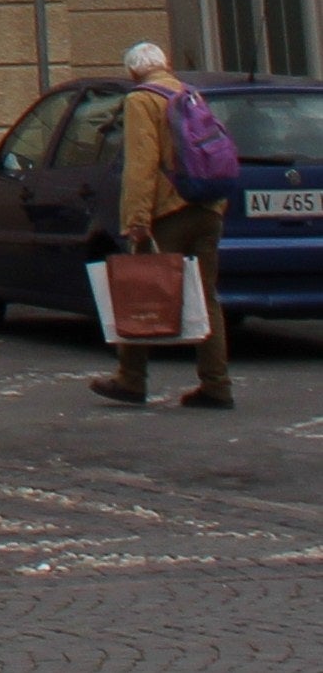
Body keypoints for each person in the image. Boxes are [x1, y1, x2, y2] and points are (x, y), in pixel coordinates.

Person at [94, 43, 233, 409]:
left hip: (169, 211)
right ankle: (216, 384)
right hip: (207, 205)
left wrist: (136, 220)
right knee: (206, 297)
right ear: (164, 65)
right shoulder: (189, 93)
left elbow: (141, 164)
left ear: (133, 72)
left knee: (141, 288)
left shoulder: (142, 100)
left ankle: (131, 379)